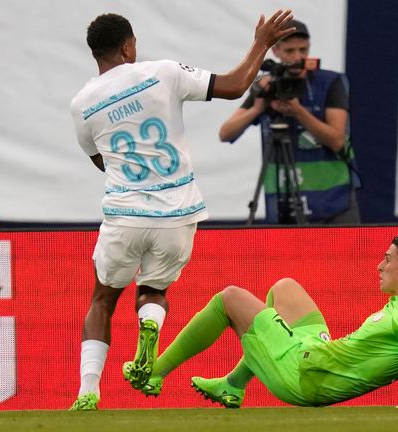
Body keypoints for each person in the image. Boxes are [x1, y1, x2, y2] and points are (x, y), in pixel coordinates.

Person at [68, 10, 296, 411]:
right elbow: (235, 85)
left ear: (95, 53)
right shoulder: (163, 72)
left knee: (102, 300)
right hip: (178, 212)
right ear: (127, 46)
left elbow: (100, 160)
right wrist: (261, 43)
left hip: (125, 214)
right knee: (154, 290)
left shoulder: (82, 103)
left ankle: (88, 391)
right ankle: (150, 325)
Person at [128, 234, 398, 408]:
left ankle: (155, 373)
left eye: (387, 259)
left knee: (230, 298)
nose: (380, 265)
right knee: (284, 288)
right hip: (319, 353)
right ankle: (234, 384)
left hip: (303, 377)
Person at [219, 20, 361, 225]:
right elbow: (226, 133)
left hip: (333, 198)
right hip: (285, 199)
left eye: (303, 50)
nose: (297, 57)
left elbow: (337, 140)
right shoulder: (269, 85)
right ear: (276, 51)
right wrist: (258, 108)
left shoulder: (330, 82)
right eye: (290, 51)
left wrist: (298, 112)